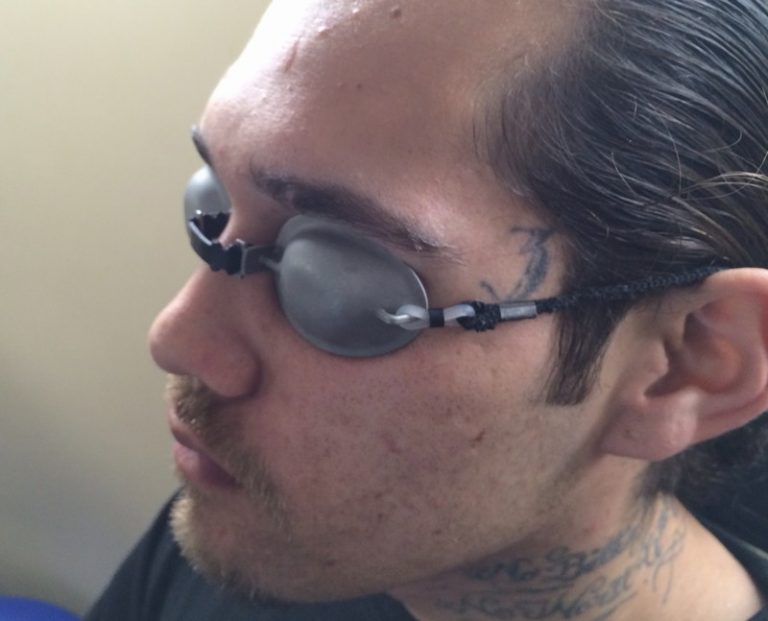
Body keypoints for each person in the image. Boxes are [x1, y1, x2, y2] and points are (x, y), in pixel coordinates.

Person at [86, 1, 768, 619]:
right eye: (212, 203)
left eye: (342, 282)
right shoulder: (250, 516)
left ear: (687, 363)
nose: (175, 340)